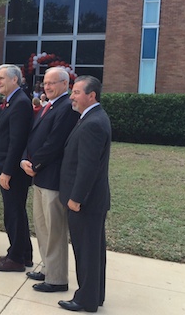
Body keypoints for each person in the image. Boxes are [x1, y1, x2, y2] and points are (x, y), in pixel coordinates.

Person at [21, 67, 79, 293]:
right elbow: (34, 137)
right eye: (45, 83)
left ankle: (57, 279)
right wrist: (25, 159)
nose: (47, 87)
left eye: (52, 83)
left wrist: (34, 164)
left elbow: (55, 143)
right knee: (42, 227)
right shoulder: (49, 106)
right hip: (39, 177)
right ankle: (47, 268)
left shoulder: (67, 109)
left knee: (55, 231)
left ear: (65, 84)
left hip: (52, 179)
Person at [58, 75, 111, 313]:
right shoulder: (90, 118)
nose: (72, 96)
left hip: (86, 202)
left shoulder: (93, 123)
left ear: (92, 96)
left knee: (87, 251)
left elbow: (88, 167)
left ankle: (86, 300)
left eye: (77, 92)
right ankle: (93, 295)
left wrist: (76, 198)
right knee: (93, 250)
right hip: (91, 201)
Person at [0, 64, 34, 272]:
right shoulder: (11, 101)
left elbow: (16, 142)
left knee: (13, 214)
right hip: (8, 168)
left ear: (14, 79)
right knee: (16, 213)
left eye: (1, 78)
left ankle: (15, 258)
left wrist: (6, 172)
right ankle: (23, 253)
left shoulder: (20, 103)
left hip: (13, 172)